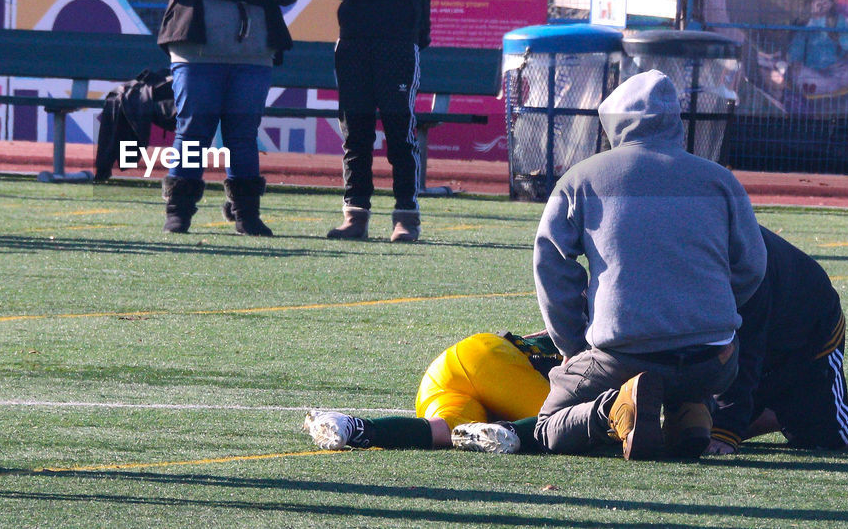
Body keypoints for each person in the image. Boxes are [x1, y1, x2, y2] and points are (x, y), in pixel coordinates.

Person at [532, 70, 767, 461]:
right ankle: (690, 410)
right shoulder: (720, 180)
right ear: (675, 121)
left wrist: (571, 344)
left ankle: (614, 411)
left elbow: (551, 265)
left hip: (623, 357)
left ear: (614, 123)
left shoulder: (581, 179)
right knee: (689, 372)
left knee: (546, 427)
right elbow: (752, 268)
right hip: (715, 361)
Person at [151, 0, 300, 236]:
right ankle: (179, 212)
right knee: (193, 130)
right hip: (196, 52)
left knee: (242, 133)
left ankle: (246, 214)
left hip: (252, 54)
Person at [707, 226, 848, 453]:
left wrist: (725, 429)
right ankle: (789, 410)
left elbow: (748, 345)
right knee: (695, 429)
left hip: (809, 328)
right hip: (761, 328)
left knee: (831, 433)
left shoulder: (738, 253)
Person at [326, 0, 430, 243]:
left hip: (398, 44)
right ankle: (355, 215)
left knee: (400, 132)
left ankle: (406, 216)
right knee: (356, 133)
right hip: (353, 43)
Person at [304, 332, 560, 454]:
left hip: (444, 370)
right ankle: (514, 430)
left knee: (444, 431)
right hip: (493, 362)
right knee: (565, 423)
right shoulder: (591, 341)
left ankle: (351, 426)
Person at [787, 0, 848, 95]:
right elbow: (796, 46)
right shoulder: (804, 24)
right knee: (799, 76)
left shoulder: (837, 20)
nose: (822, 3)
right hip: (814, 70)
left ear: (831, 4)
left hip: (836, 67)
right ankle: (829, 85)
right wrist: (796, 61)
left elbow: (847, 40)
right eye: (817, 0)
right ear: (809, 4)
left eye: (825, 0)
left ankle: (831, 85)